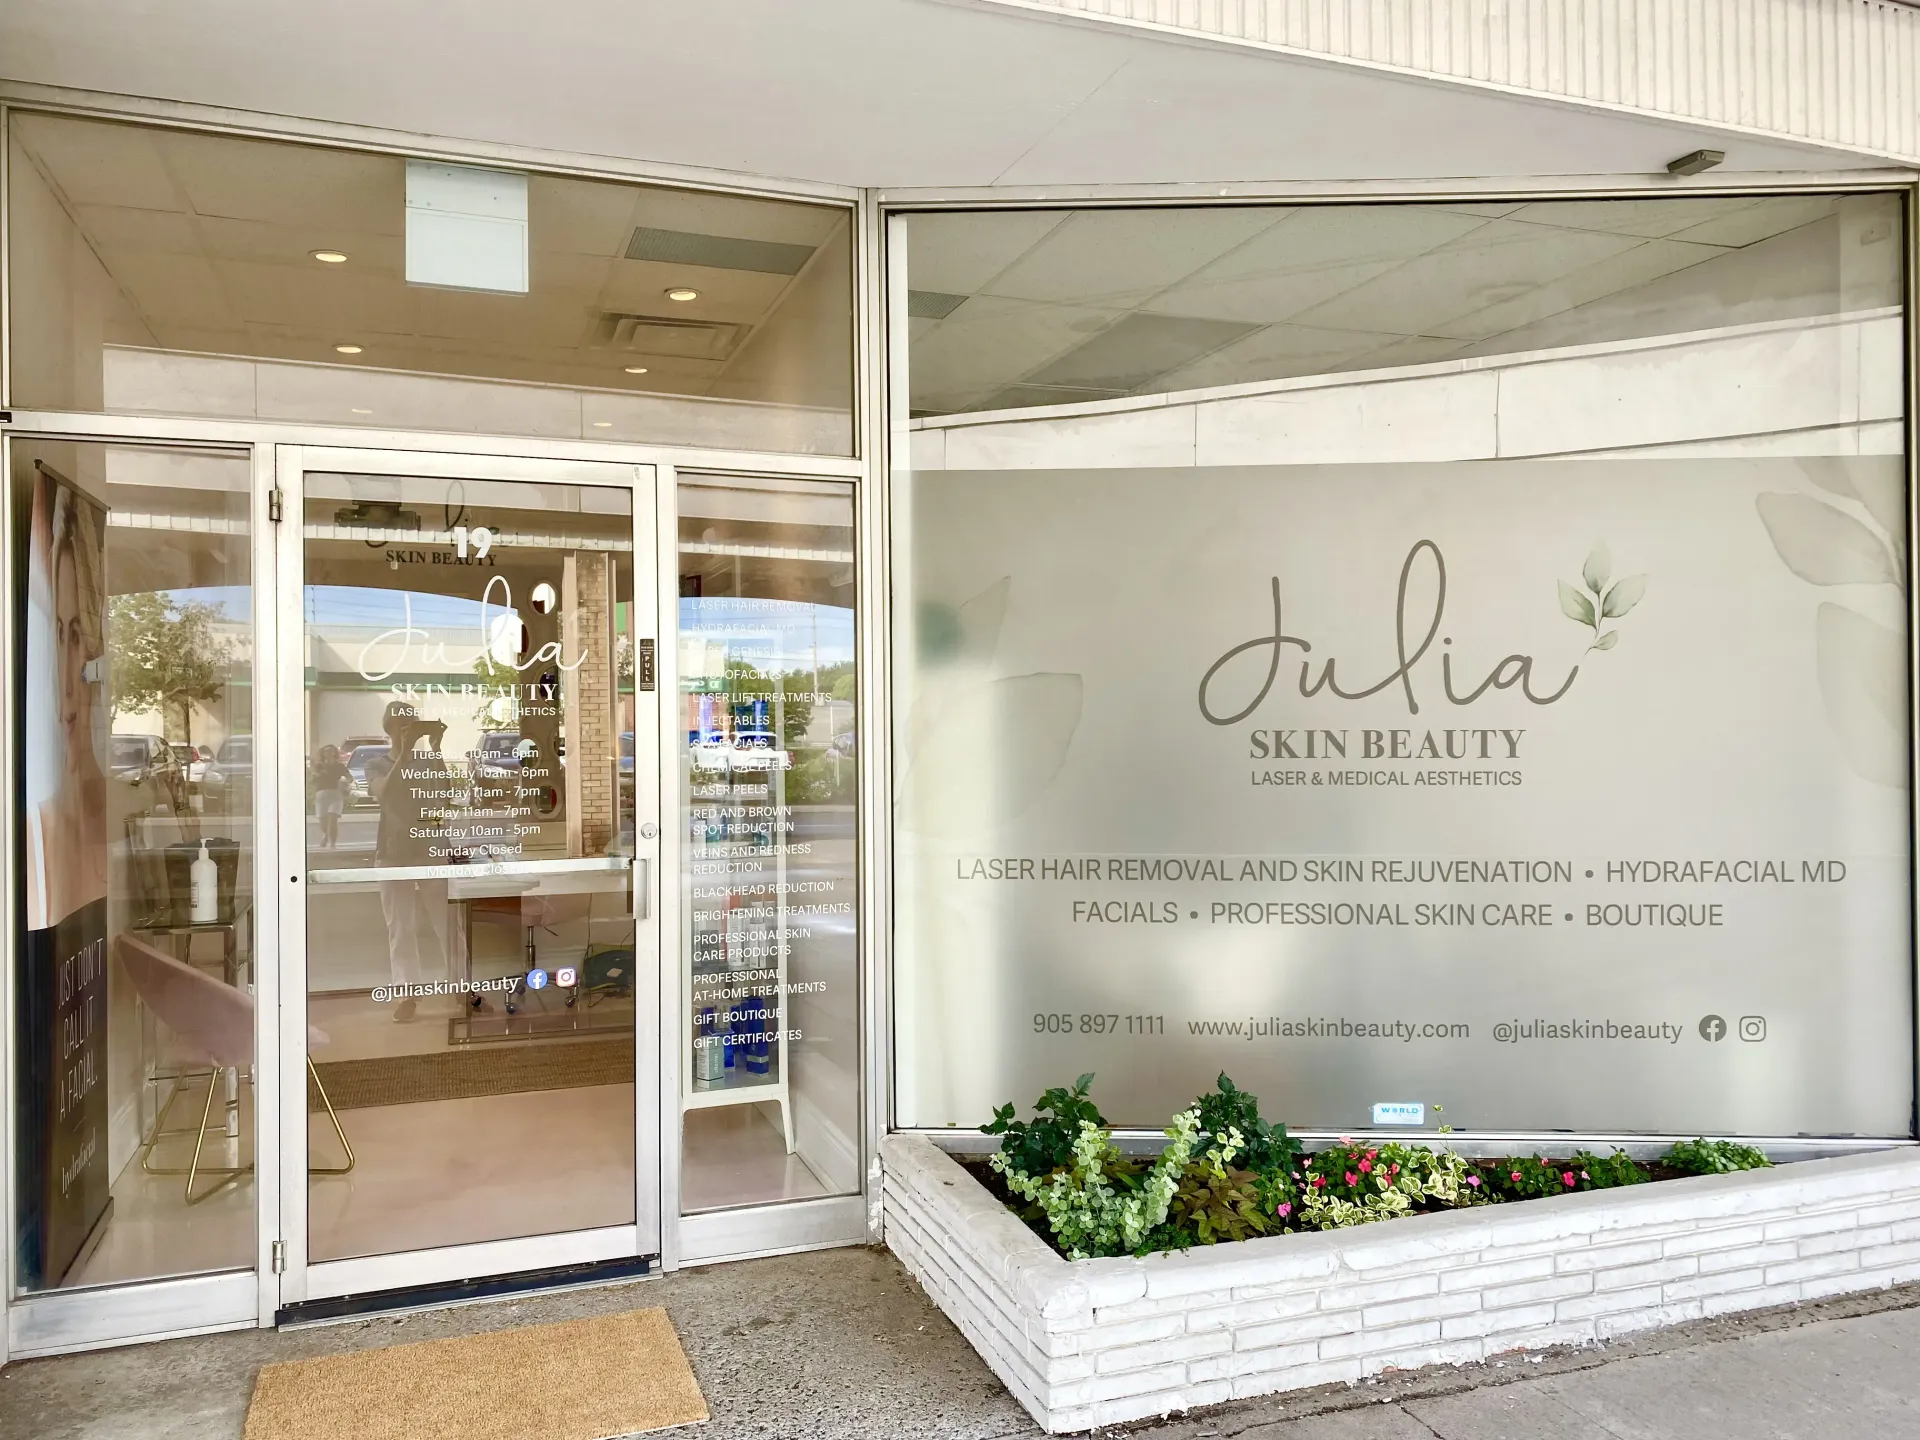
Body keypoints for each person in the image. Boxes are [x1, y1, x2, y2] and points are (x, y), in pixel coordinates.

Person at [28, 479, 109, 930]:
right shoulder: (32, 840)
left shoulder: (104, 815)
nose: (66, 682)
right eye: (58, 634)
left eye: (76, 634)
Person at [371, 699, 464, 1022]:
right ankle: (407, 994)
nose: (408, 728)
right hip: (393, 852)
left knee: (448, 923)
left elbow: (445, 793)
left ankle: (463, 988)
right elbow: (384, 792)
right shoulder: (377, 763)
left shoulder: (427, 761)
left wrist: (435, 750)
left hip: (430, 848)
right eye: (402, 723)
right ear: (389, 728)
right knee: (400, 927)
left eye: (412, 722)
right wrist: (405, 753)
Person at [311, 744, 349, 848]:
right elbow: (313, 779)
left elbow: (349, 777)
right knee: (322, 821)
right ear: (322, 753)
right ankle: (326, 835)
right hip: (321, 794)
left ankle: (332, 844)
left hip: (335, 794)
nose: (328, 753)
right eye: (325, 751)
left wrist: (344, 782)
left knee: (333, 820)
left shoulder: (339, 766)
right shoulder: (319, 766)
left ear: (334, 753)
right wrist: (315, 776)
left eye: (330, 751)